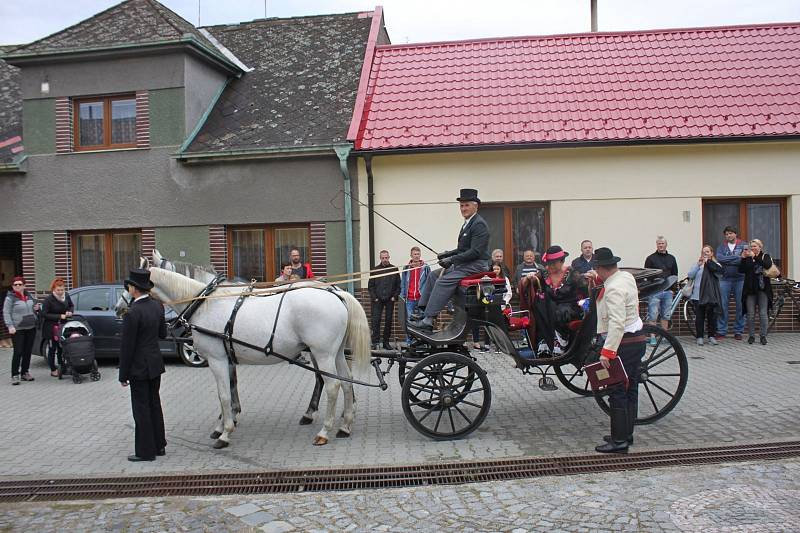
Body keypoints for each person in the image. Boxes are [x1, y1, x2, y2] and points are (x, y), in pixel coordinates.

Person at [408, 188, 490, 331]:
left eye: (466, 205)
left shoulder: (479, 224)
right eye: (461, 206)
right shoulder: (468, 223)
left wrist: (451, 260)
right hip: (467, 263)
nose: (463, 209)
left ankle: (429, 320)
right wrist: (447, 254)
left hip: (477, 265)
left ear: (475, 206)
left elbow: (475, 252)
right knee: (434, 275)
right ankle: (423, 311)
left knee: (443, 280)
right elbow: (463, 250)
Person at [592, 247, 646, 454]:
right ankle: (626, 433)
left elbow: (617, 322)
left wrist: (607, 352)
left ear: (600, 268)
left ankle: (619, 441)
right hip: (637, 339)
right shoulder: (625, 277)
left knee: (616, 391)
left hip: (624, 343)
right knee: (631, 387)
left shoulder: (613, 288)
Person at [119, 269, 167, 462]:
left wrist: (123, 374)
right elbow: (162, 334)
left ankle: (146, 451)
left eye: (129, 285)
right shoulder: (158, 306)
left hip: (139, 367)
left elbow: (127, 347)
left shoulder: (132, 312)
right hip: (155, 363)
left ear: (134, 289)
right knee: (154, 404)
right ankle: (159, 445)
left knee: (141, 409)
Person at [525, 245, 586, 355]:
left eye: (553, 263)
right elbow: (531, 282)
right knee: (540, 307)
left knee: (559, 310)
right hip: (551, 306)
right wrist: (529, 277)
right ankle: (544, 341)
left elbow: (585, 290)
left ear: (562, 261)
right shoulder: (544, 273)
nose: (550, 265)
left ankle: (560, 342)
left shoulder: (573, 274)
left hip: (569, 307)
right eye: (548, 262)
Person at [4, 276, 41, 385]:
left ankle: (25, 372)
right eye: (15, 284)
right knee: (18, 351)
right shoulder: (10, 298)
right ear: (13, 286)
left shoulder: (29, 296)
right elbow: (6, 313)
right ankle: (15, 374)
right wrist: (10, 326)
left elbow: (35, 306)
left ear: (24, 285)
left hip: (31, 327)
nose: (18, 286)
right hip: (17, 329)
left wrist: (37, 308)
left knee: (27, 351)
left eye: (20, 284)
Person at [739, 239, 774, 345]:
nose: (753, 248)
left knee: (763, 313)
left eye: (755, 246)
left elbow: (767, 265)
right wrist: (743, 259)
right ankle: (751, 336)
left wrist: (754, 257)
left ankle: (763, 336)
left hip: (763, 289)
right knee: (750, 314)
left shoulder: (765, 256)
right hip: (750, 289)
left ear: (760, 247)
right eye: (751, 246)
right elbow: (741, 270)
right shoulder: (748, 257)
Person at [643, 236, 678, 344]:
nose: (660, 245)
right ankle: (653, 337)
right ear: (656, 245)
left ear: (666, 245)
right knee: (653, 315)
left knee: (665, 315)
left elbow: (674, 274)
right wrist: (650, 289)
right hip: (655, 292)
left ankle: (664, 337)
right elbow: (646, 275)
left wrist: (673, 290)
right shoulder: (650, 258)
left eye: (662, 243)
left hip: (668, 292)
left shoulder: (672, 258)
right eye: (659, 244)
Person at [686, 245, 723, 346]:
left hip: (711, 296)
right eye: (703, 252)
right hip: (698, 295)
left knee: (712, 317)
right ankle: (699, 337)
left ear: (712, 253)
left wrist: (708, 262)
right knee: (699, 317)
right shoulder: (698, 265)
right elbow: (690, 275)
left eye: (707, 252)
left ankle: (711, 336)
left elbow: (719, 272)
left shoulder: (716, 264)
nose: (705, 254)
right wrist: (698, 265)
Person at [716, 226, 746, 339]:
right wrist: (737, 258)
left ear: (735, 234)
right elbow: (720, 258)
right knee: (723, 305)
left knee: (740, 305)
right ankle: (722, 330)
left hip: (740, 279)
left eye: (730, 233)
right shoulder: (721, 247)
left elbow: (743, 260)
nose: (728, 236)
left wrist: (730, 259)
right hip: (725, 279)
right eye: (726, 234)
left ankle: (738, 331)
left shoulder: (743, 245)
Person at [41, 278, 74, 377]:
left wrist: (70, 312)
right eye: (58, 290)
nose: (60, 292)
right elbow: (44, 314)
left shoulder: (66, 296)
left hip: (63, 326)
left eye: (62, 290)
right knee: (52, 348)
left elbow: (71, 306)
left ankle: (62, 366)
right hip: (51, 327)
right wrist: (59, 316)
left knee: (61, 348)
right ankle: (53, 369)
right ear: (53, 290)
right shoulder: (48, 300)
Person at [368, 250, 401, 349]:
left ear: (389, 257)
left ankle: (386, 342)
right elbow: (371, 286)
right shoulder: (375, 270)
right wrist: (375, 298)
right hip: (377, 300)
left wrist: (394, 296)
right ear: (380, 258)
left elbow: (398, 285)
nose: (385, 259)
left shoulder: (394, 269)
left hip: (389, 300)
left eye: (386, 257)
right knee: (376, 321)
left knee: (388, 320)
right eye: (383, 258)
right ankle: (375, 342)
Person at [400, 246, 431, 345]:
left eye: (418, 254)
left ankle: (423, 341)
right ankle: (409, 341)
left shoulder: (425, 267)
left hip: (421, 298)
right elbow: (403, 283)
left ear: (420, 255)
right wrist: (403, 295)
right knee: (409, 321)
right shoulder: (406, 268)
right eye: (415, 254)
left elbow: (429, 282)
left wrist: (428, 296)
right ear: (411, 255)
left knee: (423, 320)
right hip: (409, 299)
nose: (416, 256)